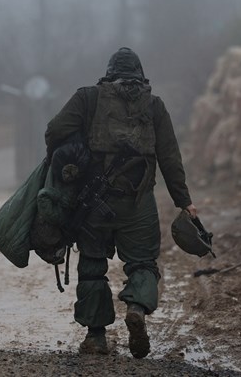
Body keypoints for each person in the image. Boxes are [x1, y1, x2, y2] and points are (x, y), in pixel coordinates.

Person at [44, 47, 197, 358]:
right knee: (142, 263)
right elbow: (170, 158)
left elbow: (55, 130)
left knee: (92, 268)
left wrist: (73, 156)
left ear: (109, 74)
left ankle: (96, 338)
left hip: (92, 203)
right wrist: (185, 202)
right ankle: (137, 309)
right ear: (140, 76)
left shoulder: (87, 97)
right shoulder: (154, 106)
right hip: (138, 202)